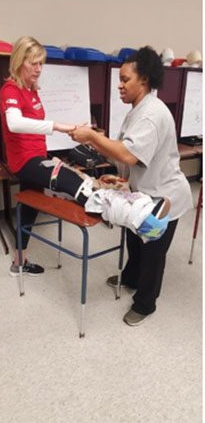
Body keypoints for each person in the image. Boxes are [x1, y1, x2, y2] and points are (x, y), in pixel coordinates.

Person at [0, 37, 171, 280]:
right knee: (69, 179)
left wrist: (79, 132)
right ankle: (136, 215)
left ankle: (19, 262)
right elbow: (14, 123)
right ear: (19, 61)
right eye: (33, 63)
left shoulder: (31, 91)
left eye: (41, 64)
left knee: (28, 209)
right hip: (23, 161)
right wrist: (60, 126)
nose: (38, 69)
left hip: (36, 156)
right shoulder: (10, 89)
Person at [70, 46, 193, 326]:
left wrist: (90, 136)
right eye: (120, 79)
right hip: (145, 191)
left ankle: (145, 304)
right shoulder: (139, 109)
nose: (120, 85)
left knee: (152, 252)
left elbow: (128, 154)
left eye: (125, 79)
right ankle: (130, 279)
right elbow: (127, 152)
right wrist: (120, 175)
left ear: (144, 80)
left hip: (165, 198)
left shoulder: (150, 114)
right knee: (136, 242)